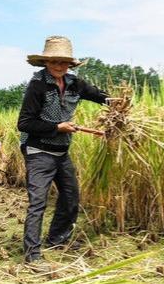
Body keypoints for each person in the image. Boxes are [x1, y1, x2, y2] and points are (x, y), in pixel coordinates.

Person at [18, 36, 109, 264]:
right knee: (38, 202)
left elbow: (101, 97)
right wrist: (57, 127)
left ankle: (57, 238)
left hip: (61, 152)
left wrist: (120, 105)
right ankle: (32, 254)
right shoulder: (37, 86)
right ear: (46, 63)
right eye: (54, 62)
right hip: (38, 151)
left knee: (70, 197)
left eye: (64, 62)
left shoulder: (75, 84)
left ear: (70, 64)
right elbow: (25, 123)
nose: (59, 66)